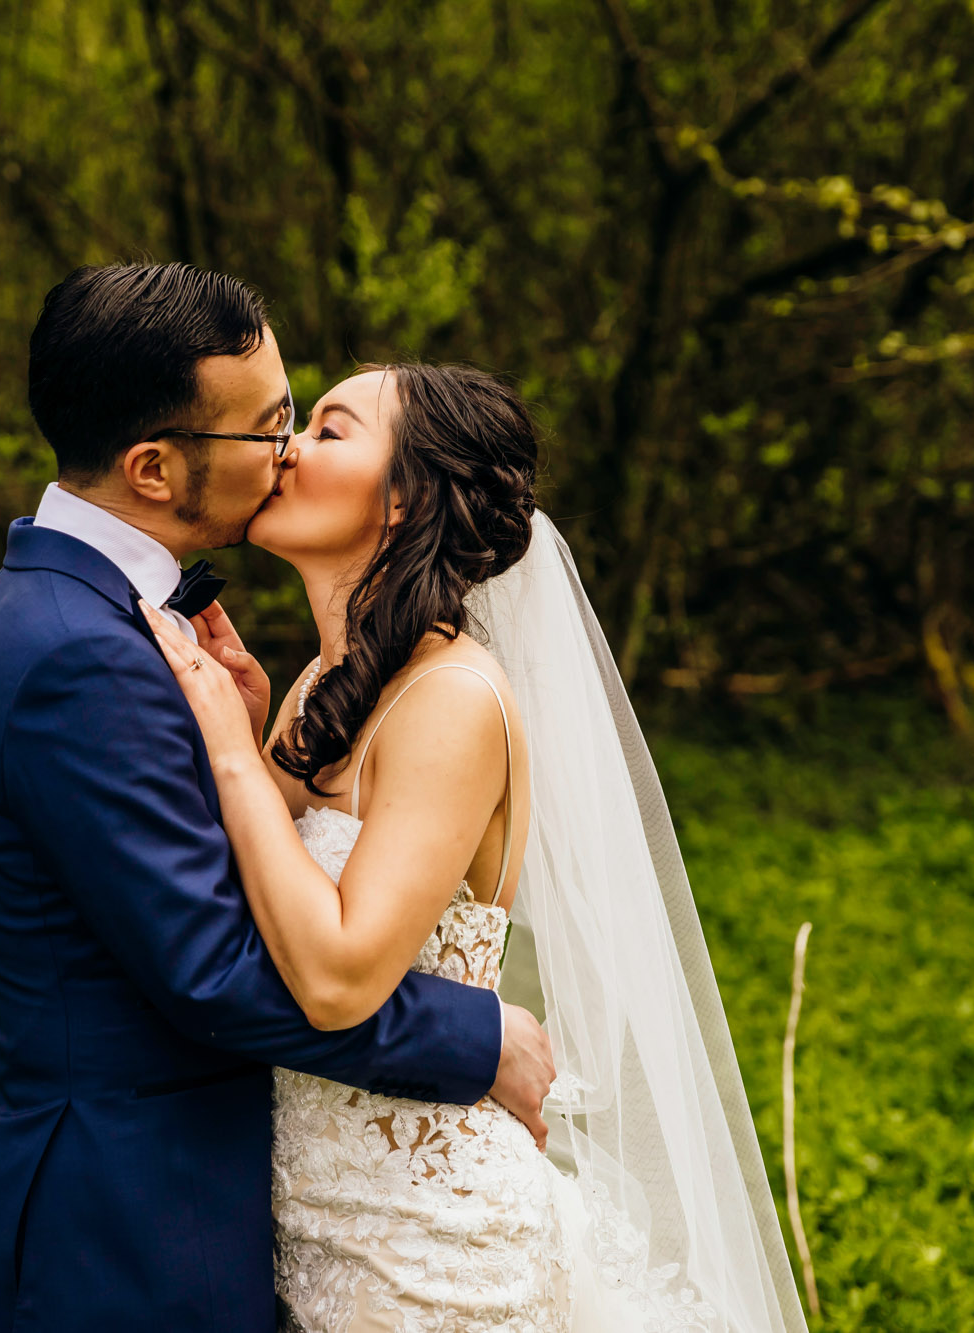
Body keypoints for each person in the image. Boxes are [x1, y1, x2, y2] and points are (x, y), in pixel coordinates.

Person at [0, 263, 558, 1333]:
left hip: (350, 1226)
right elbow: (214, 966)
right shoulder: (77, 650)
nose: (282, 454)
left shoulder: (137, 637)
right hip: (123, 1226)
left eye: (312, 426)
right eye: (272, 426)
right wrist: (477, 1038)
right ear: (151, 466)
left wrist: (252, 751)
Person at [142, 363, 813, 1331]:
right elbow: (244, 906)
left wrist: (232, 761)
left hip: (430, 1254)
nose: (286, 447)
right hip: (305, 1234)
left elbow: (335, 977)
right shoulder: (316, 691)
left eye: (328, 430)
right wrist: (252, 736)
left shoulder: (451, 700)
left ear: (405, 497)